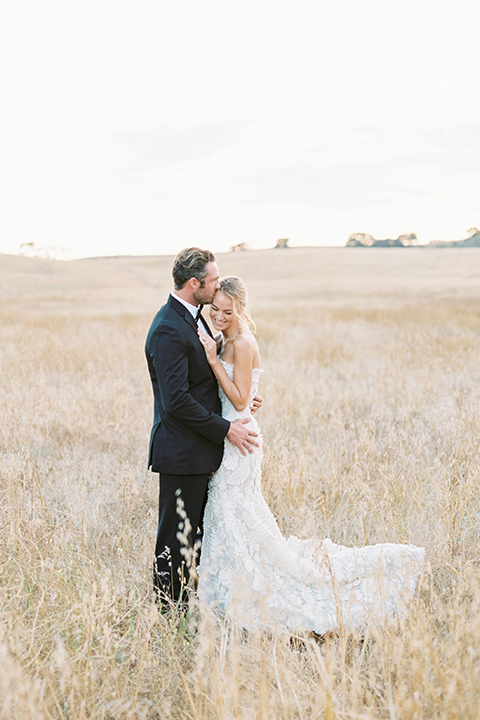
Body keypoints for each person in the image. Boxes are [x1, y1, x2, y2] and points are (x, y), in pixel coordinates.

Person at [197, 276, 425, 634]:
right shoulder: (224, 337)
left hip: (239, 442)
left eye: (228, 311)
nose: (219, 316)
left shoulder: (241, 342)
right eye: (215, 309)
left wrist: (213, 362)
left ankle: (246, 593)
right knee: (232, 515)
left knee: (231, 508)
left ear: (241, 308)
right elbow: (243, 394)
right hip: (231, 432)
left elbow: (240, 400)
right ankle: (230, 591)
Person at [145, 249, 260, 610]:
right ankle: (168, 612)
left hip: (201, 449)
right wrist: (227, 427)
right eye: (213, 279)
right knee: (175, 537)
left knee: (197, 534)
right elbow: (176, 401)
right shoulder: (168, 328)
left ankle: (196, 601)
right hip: (181, 450)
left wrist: (244, 397)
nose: (217, 284)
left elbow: (203, 381)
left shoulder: (195, 316)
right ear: (195, 283)